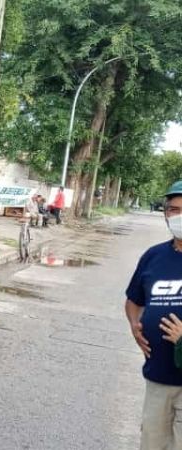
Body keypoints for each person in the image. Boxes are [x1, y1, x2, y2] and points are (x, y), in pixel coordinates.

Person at [125, 180, 182, 449]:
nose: (179, 216)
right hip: (158, 376)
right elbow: (134, 300)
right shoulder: (154, 256)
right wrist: (135, 324)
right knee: (152, 443)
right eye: (173, 210)